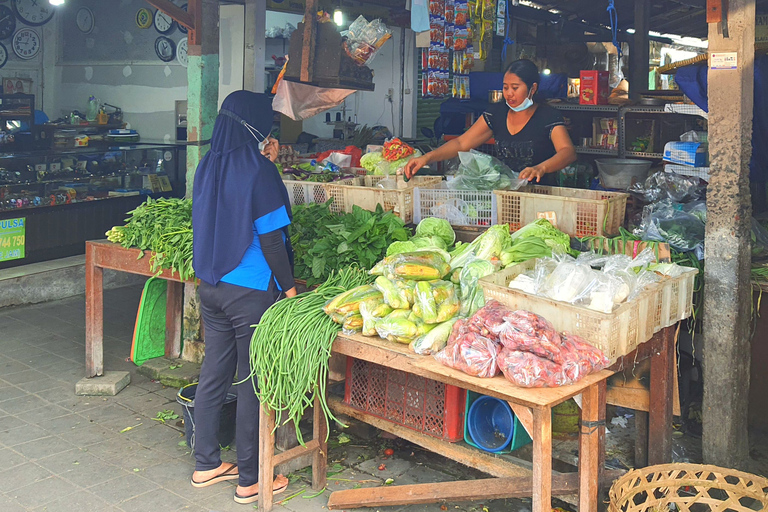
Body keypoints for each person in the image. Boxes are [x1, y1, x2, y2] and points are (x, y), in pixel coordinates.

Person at [190, 90, 292, 505]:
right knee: (251, 381)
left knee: (214, 372)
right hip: (248, 292)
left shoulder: (206, 166)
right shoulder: (259, 171)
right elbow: (272, 241)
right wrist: (288, 287)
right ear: (254, 126)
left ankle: (206, 464)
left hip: (211, 287)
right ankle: (250, 479)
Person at [404, 59, 576, 184]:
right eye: (506, 87)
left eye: (515, 88)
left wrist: (541, 168)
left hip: (541, 195)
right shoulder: (497, 113)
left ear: (533, 88)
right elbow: (461, 142)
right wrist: (427, 158)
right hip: (505, 192)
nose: (509, 93)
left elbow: (567, 151)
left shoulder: (548, 116)